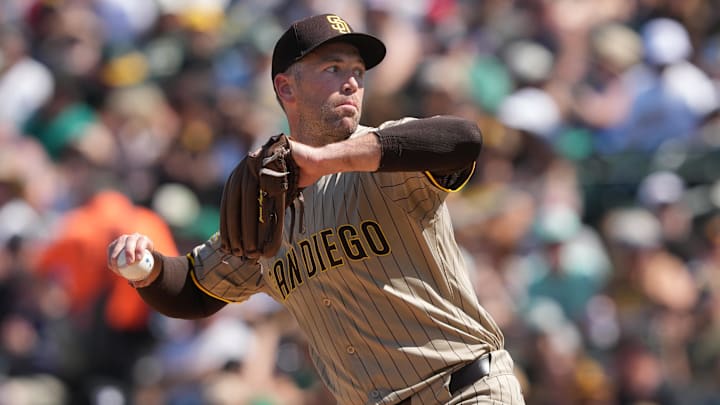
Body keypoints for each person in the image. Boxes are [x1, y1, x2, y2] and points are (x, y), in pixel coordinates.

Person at [107, 13, 525, 405]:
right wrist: (146, 269)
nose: (352, 84)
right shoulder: (268, 200)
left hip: (466, 390)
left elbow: (464, 139)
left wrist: (328, 160)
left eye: (358, 73)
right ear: (286, 88)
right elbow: (195, 291)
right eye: (333, 69)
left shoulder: (388, 153)